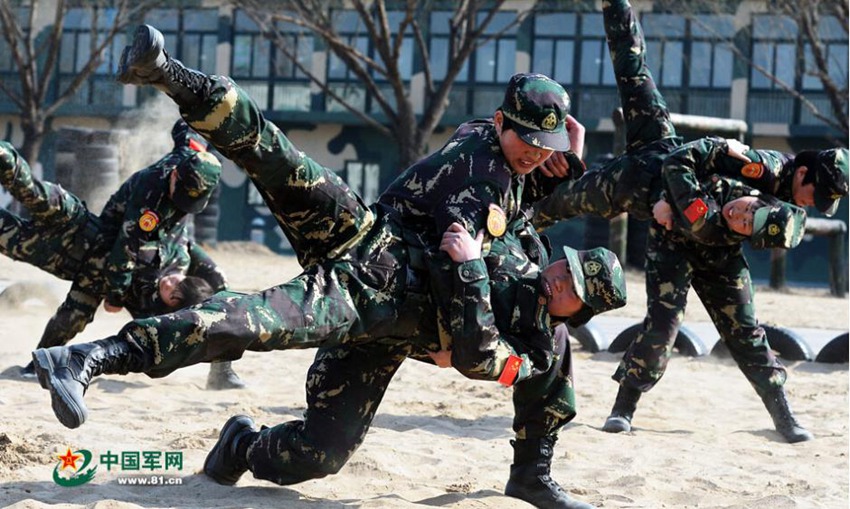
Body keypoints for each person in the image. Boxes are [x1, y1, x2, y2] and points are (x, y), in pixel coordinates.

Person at [30, 25, 628, 509]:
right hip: (368, 249)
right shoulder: (481, 178)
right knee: (276, 161)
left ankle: (241, 446)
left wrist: (563, 161)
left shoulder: (535, 299)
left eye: (570, 286)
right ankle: (167, 76)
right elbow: (473, 280)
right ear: (498, 123)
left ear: (578, 310)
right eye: (523, 140)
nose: (531, 155)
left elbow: (486, 350)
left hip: (381, 314)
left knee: (320, 451)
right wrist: (475, 296)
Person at [532, 0, 829, 444]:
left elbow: (698, 206)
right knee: (633, 69)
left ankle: (782, 412)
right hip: (653, 161)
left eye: (747, 222)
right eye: (747, 207)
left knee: (726, 329)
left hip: (683, 239)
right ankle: (615, 4)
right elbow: (684, 159)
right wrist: (678, 194)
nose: (740, 212)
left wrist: (672, 211)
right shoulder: (762, 174)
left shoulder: (728, 226)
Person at [0, 123, 243, 390]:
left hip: (162, 244)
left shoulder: (192, 156)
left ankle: (222, 371)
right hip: (112, 238)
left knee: (221, 286)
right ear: (174, 176)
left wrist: (199, 121)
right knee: (36, 198)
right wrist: (115, 296)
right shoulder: (150, 195)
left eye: (175, 290)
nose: (170, 285)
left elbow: (187, 131)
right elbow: (126, 247)